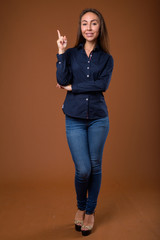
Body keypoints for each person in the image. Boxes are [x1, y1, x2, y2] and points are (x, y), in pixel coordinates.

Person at [56, 8, 114, 236]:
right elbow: (61, 79)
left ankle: (89, 212)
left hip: (99, 119)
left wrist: (72, 88)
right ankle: (81, 206)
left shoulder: (107, 58)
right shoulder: (70, 54)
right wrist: (60, 52)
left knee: (95, 166)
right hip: (74, 119)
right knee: (83, 170)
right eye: (84, 23)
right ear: (80, 28)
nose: (89, 28)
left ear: (100, 28)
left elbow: (101, 85)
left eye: (93, 23)